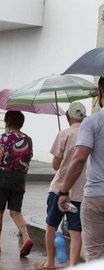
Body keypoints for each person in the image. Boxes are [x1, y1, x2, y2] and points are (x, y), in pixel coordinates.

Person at [34, 102, 86, 270]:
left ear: (67, 117)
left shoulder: (63, 134)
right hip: (80, 192)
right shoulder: (89, 134)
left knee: (51, 226)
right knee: (75, 231)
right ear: (84, 117)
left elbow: (56, 165)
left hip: (59, 189)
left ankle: (50, 263)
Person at [58, 77, 104, 262]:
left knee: (95, 255)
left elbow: (79, 158)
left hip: (96, 196)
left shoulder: (93, 121)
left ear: (100, 93)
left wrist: (64, 191)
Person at [0, 110, 33, 257]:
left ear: (8, 123)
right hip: (20, 177)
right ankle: (26, 237)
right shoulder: (28, 139)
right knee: (15, 211)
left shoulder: (5, 137)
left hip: (4, 176)